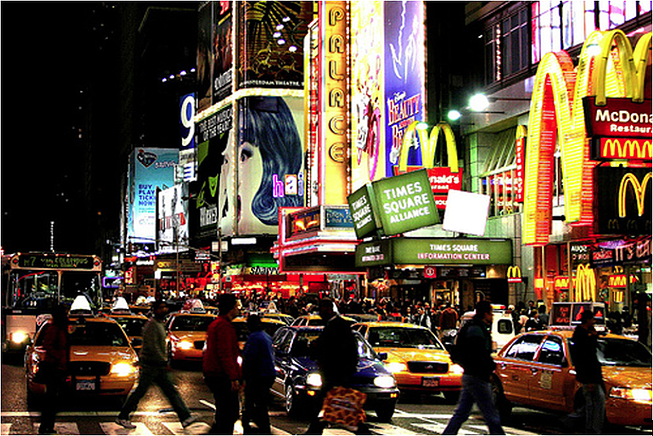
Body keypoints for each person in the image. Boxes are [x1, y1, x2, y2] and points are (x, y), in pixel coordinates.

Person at [116, 300, 197, 429]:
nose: (164, 310)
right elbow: (152, 346)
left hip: (156, 365)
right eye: (161, 308)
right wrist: (163, 361)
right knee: (142, 392)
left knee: (169, 391)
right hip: (152, 365)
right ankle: (123, 416)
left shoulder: (158, 324)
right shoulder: (152, 325)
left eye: (165, 307)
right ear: (155, 310)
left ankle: (185, 416)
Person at [306, 298, 369, 435]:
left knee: (339, 405)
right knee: (328, 404)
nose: (320, 313)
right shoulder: (332, 325)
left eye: (321, 309)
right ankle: (314, 430)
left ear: (328, 308)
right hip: (333, 373)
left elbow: (342, 349)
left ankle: (362, 431)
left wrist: (317, 348)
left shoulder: (338, 325)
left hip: (336, 373)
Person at [443, 300, 505, 435]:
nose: (492, 316)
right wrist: (487, 368)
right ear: (485, 313)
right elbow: (478, 353)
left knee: (462, 412)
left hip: (471, 375)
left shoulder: (475, 327)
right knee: (490, 412)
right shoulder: (476, 330)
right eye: (491, 313)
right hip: (477, 376)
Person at [203, 293, 242, 434]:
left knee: (225, 411)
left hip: (215, 373)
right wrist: (233, 377)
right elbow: (225, 354)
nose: (239, 309)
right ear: (231, 308)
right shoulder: (223, 326)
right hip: (220, 374)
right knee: (229, 412)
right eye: (237, 306)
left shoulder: (217, 324)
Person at [569, 310, 605, 434]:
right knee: (594, 403)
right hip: (590, 376)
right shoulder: (581, 336)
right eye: (592, 319)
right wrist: (587, 378)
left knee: (592, 403)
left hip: (592, 375)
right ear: (588, 320)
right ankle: (591, 428)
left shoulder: (586, 334)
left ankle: (590, 426)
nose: (594, 322)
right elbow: (583, 358)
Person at [241, 314, 275, 434]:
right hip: (268, 374)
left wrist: (243, 376)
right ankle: (263, 426)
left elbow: (249, 358)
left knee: (251, 402)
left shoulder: (254, 338)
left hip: (258, 375)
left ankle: (251, 425)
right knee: (261, 403)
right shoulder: (266, 336)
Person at [38, 305, 69, 435]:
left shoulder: (59, 328)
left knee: (53, 399)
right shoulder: (54, 329)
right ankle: (45, 426)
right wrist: (58, 355)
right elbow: (47, 345)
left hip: (58, 366)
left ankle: (47, 426)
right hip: (54, 367)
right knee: (51, 399)